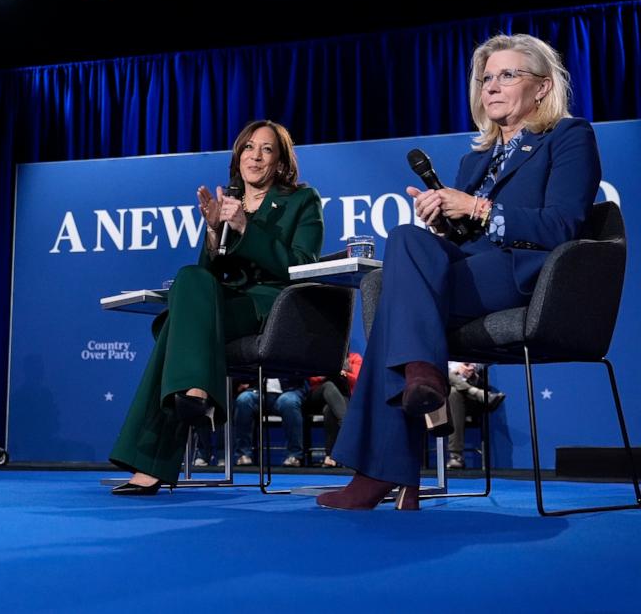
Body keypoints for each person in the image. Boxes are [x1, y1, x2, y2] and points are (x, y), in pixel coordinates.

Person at [318, 34, 602, 510]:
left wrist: (476, 206)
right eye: (486, 77)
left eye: (507, 75)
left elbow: (562, 225)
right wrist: (445, 222)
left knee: (395, 305)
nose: (491, 86)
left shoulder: (568, 137)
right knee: (409, 241)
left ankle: (382, 466)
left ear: (542, 87)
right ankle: (423, 376)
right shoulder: (477, 158)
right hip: (473, 274)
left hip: (526, 277)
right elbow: (463, 238)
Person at [109, 119, 324, 494]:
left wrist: (246, 229)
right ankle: (195, 393)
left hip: (271, 308)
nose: (255, 156)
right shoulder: (229, 203)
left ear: (280, 162)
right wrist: (212, 233)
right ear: (238, 155)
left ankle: (151, 459)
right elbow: (206, 277)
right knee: (189, 276)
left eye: (267, 149)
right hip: (227, 304)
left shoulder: (302, 201)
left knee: (176, 331)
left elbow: (299, 266)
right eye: (248, 148)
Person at [234, 378, 308, 467]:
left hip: (289, 390)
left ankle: (294, 455)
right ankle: (243, 454)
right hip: (258, 392)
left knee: (289, 402)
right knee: (244, 399)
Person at [446, 361, 505, 469]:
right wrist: (456, 368)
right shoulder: (440, 347)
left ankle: (456, 456)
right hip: (443, 396)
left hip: (469, 394)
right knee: (443, 374)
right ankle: (479, 394)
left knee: (454, 392)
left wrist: (471, 367)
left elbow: (482, 361)